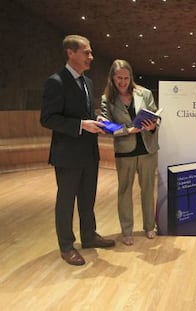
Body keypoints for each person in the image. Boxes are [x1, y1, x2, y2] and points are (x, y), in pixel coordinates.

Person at [40, 35, 115, 266]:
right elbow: (48, 118)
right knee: (66, 202)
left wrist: (96, 119)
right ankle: (66, 246)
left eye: (91, 53)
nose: (91, 57)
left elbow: (85, 112)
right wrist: (82, 125)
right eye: (86, 52)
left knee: (87, 198)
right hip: (67, 154)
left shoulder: (87, 82)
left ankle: (89, 236)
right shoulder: (56, 81)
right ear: (70, 53)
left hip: (89, 152)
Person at [100, 59, 159, 245]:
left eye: (126, 78)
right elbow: (106, 126)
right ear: (112, 78)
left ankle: (150, 227)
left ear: (131, 77)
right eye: (119, 78)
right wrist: (128, 130)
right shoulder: (106, 99)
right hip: (125, 150)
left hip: (147, 149)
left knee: (148, 190)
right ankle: (127, 231)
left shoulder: (145, 93)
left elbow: (156, 116)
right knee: (124, 191)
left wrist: (152, 126)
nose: (123, 82)